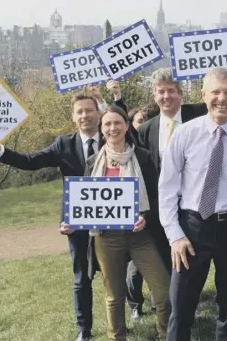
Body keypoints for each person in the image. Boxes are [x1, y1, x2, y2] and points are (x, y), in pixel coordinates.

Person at [135, 68, 227, 338]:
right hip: (192, 228)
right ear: (203, 95)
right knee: (182, 305)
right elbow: (167, 190)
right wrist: (175, 236)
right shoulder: (185, 134)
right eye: (215, 92)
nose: (221, 99)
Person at [0, 91, 105, 341]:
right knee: (81, 277)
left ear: (98, 113)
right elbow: (30, 161)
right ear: (73, 117)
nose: (85, 115)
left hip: (112, 219)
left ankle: (126, 316)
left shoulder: (112, 136)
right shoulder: (64, 144)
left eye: (89, 110)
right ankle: (84, 331)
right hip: (75, 222)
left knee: (115, 273)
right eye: (79, 112)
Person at [86, 105, 171, 341]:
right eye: (107, 124)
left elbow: (157, 196)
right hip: (106, 237)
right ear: (101, 130)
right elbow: (84, 198)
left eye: (117, 123)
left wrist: (146, 217)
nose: (113, 128)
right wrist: (70, 221)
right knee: (114, 296)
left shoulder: (142, 157)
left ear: (126, 126)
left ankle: (166, 335)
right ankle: (117, 337)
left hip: (140, 236)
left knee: (163, 290)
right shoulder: (94, 162)